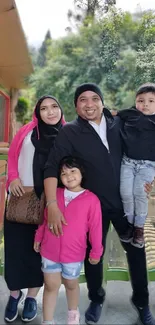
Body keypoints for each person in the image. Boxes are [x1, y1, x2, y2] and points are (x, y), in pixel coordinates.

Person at [43, 83, 154, 325]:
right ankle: (96, 298)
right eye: (83, 99)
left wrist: (149, 177)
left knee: (136, 252)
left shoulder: (119, 122)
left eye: (95, 98)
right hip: (93, 207)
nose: (90, 103)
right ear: (76, 105)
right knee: (93, 254)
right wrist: (52, 203)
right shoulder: (70, 131)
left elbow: (144, 146)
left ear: (102, 101)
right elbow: (52, 166)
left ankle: (142, 301)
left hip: (125, 204)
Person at [4, 95, 65, 323]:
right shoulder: (27, 131)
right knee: (15, 249)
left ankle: (31, 297)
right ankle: (14, 294)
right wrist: (12, 178)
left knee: (40, 252)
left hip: (51, 203)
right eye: (44, 108)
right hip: (21, 198)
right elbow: (12, 155)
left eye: (54, 107)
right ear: (37, 113)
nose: (50, 112)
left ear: (60, 109)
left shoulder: (68, 134)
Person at [34, 156, 103, 325]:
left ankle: (73, 314)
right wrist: (38, 237)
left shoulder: (91, 199)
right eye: (63, 173)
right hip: (49, 251)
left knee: (71, 284)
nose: (69, 176)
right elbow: (45, 219)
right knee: (50, 285)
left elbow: (95, 228)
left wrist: (96, 251)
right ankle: (47, 321)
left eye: (73, 171)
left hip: (74, 254)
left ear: (82, 174)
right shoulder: (54, 195)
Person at [119, 83, 155, 248]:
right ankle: (131, 224)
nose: (145, 104)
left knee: (139, 193)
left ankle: (139, 227)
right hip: (128, 162)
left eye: (151, 101)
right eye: (141, 100)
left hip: (148, 165)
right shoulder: (131, 114)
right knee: (125, 192)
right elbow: (116, 114)